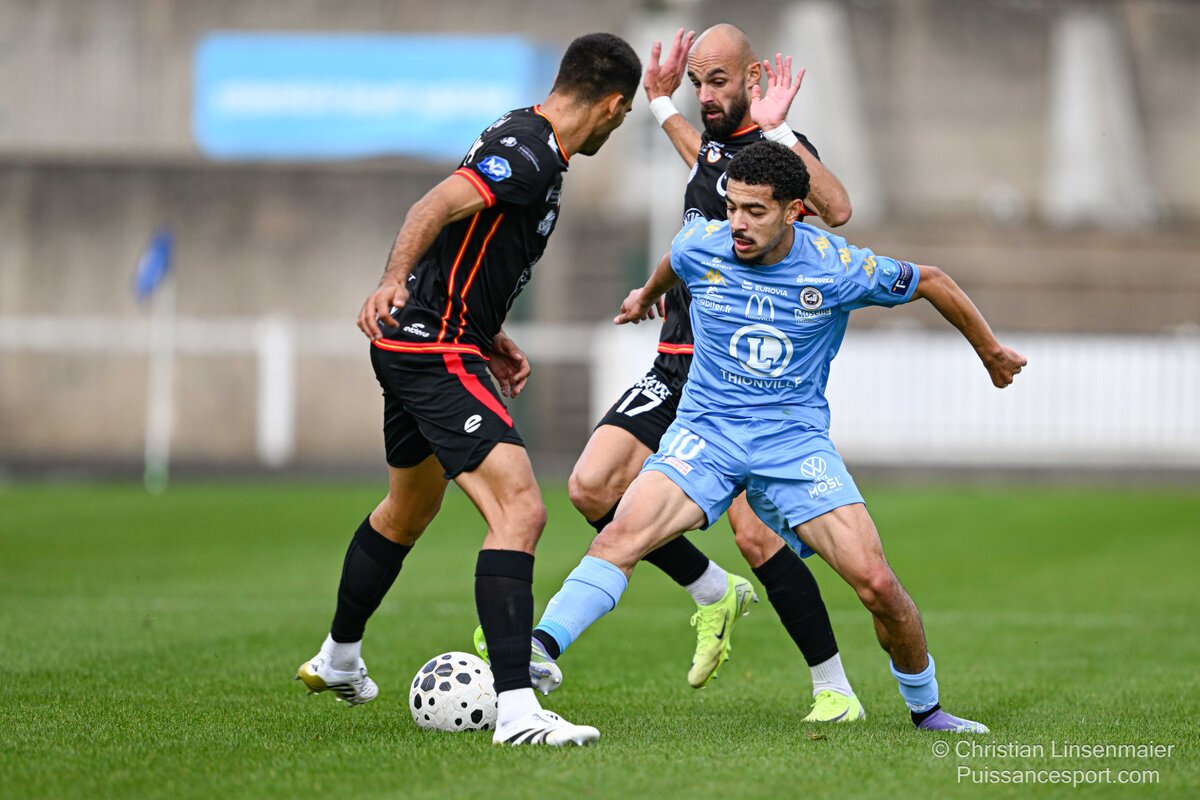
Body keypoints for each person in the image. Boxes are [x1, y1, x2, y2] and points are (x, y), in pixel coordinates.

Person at [531, 140, 1027, 735]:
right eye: (732, 208)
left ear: (794, 211)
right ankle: (538, 650)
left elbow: (933, 281)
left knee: (876, 583)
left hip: (793, 446)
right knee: (620, 535)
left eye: (755, 211)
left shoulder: (837, 268)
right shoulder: (702, 245)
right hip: (707, 434)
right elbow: (674, 259)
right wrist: (645, 295)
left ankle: (928, 709)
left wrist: (990, 352)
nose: (738, 224)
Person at [294, 32, 642, 747]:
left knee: (407, 510)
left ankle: (339, 658)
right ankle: (516, 712)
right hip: (432, 347)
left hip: (435, 340)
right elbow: (435, 205)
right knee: (521, 509)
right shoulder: (529, 150)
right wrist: (392, 282)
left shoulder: (530, 138)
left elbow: (473, 245)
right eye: (624, 116)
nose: (618, 126)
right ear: (613, 106)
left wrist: (490, 332)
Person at [566, 25, 863, 721]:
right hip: (676, 360)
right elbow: (701, 160)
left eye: (717, 81)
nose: (704, 94)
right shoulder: (717, 146)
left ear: (752, 79)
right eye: (698, 82)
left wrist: (781, 127)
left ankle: (833, 687)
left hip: (738, 382)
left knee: (756, 536)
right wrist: (659, 103)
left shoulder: (777, 151)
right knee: (591, 485)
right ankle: (711, 590)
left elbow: (840, 211)